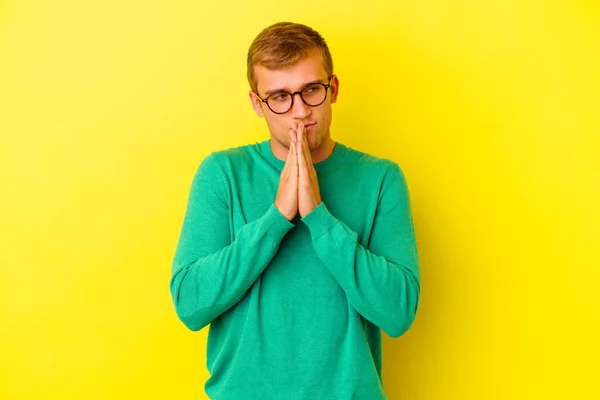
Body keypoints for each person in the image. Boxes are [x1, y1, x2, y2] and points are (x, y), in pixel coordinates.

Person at [170, 21, 421, 400]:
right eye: (280, 97)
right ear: (258, 103)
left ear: (332, 89)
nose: (299, 111)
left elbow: (398, 312)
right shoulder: (223, 174)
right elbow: (190, 305)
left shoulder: (380, 179)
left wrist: (319, 216)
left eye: (311, 90)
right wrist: (275, 220)